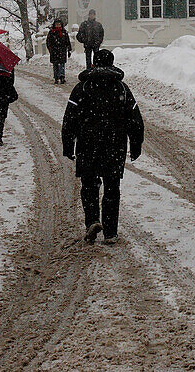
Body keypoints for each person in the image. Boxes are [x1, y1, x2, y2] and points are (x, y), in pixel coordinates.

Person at [61, 49, 144, 245]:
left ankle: (92, 221)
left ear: (94, 63)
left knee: (89, 185)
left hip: (87, 144)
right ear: (112, 63)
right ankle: (110, 232)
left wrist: (68, 145)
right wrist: (135, 144)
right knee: (112, 188)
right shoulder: (122, 89)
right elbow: (135, 120)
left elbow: (69, 119)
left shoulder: (82, 88)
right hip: (114, 145)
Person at [46, 19, 73, 84]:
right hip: (54, 51)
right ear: (54, 25)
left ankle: (62, 76)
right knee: (55, 65)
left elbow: (67, 41)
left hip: (62, 50)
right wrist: (50, 49)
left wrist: (69, 49)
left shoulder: (64, 32)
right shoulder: (51, 32)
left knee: (62, 64)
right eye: (56, 24)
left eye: (59, 24)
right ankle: (56, 77)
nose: (58, 25)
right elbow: (48, 42)